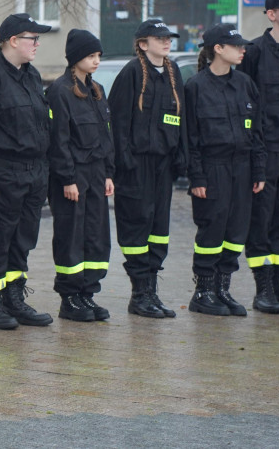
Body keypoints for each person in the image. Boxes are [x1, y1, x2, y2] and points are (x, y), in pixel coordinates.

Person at [0, 12, 53, 330]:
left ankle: (14, 299)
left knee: (22, 240)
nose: (37, 44)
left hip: (32, 173)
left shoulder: (30, 75)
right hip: (1, 173)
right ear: (14, 41)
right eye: (33, 38)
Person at [107, 19, 187, 319]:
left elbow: (182, 117)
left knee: (158, 229)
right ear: (143, 44)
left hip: (162, 165)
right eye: (159, 38)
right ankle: (139, 293)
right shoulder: (131, 73)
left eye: (169, 38)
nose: (167, 42)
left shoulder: (172, 72)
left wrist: (181, 157)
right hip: (135, 165)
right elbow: (117, 121)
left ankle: (151, 290)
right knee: (137, 224)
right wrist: (124, 161)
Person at [184, 24, 266, 316]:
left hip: (242, 169)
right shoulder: (196, 87)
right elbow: (190, 138)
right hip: (213, 168)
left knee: (236, 231)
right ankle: (203, 291)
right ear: (218, 49)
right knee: (212, 229)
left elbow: (256, 131)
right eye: (236, 46)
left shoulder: (245, 84)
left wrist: (258, 171)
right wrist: (197, 176)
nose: (243, 50)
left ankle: (222, 289)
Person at [46, 30, 114, 322]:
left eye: (98, 55)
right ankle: (70, 297)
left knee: (96, 235)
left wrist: (109, 173)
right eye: (90, 56)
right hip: (74, 177)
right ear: (75, 59)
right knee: (71, 236)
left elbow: (106, 136)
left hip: (97, 174)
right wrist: (67, 178)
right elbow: (58, 140)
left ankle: (87, 293)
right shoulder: (60, 91)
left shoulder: (97, 90)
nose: (96, 61)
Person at [237, 0, 279, 312]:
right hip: (265, 152)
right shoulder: (255, 52)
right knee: (261, 220)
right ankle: (263, 289)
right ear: (271, 15)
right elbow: (243, 105)